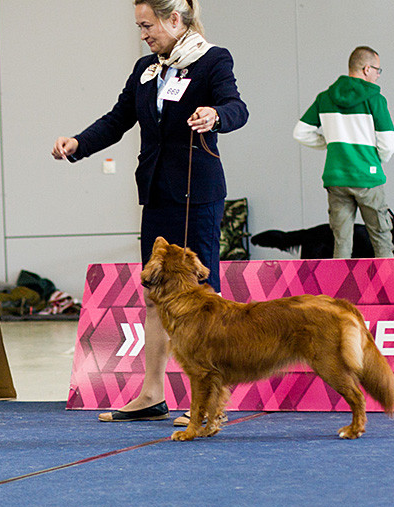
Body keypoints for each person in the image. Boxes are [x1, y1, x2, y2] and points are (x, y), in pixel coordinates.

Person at [51, 0, 247, 423]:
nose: (143, 35)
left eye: (147, 25)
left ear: (174, 19)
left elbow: (237, 107)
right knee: (155, 295)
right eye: (139, 26)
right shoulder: (146, 69)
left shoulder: (213, 60)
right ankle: (152, 395)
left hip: (198, 192)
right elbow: (118, 119)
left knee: (202, 297)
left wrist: (215, 115)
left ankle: (209, 402)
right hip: (156, 192)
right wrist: (79, 144)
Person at [293, 46, 394, 259]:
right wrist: (377, 161)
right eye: (377, 70)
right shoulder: (375, 100)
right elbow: (388, 142)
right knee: (381, 238)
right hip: (367, 177)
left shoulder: (325, 98)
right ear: (366, 69)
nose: (378, 75)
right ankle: (387, 282)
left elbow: (300, 132)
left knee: (341, 241)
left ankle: (341, 283)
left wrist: (329, 144)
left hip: (336, 177)